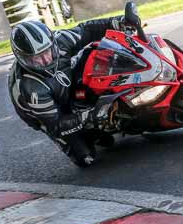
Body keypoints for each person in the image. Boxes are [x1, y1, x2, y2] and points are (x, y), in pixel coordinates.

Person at [8, 16, 125, 167]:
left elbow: (86, 30)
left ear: (52, 43)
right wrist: (90, 115)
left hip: (65, 86)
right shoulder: (29, 88)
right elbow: (56, 124)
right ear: (22, 58)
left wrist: (117, 22)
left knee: (94, 56)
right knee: (86, 159)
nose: (45, 60)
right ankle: (86, 137)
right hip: (47, 115)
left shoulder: (60, 39)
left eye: (47, 52)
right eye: (35, 58)